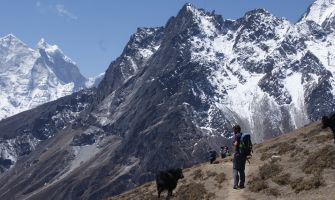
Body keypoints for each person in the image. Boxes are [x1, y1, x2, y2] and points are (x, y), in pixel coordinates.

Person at [232, 125, 247, 189]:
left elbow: (235, 144)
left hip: (237, 155)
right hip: (243, 155)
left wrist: (234, 146)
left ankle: (235, 184)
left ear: (236, 130)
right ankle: (242, 184)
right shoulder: (243, 135)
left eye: (234, 130)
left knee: (235, 169)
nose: (233, 131)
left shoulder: (237, 136)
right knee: (242, 170)